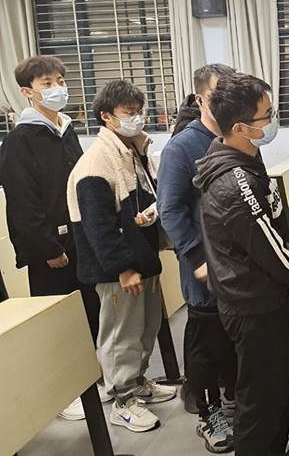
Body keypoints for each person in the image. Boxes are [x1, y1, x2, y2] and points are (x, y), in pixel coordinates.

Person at [193, 73, 289, 456]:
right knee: (260, 400)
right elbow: (268, 245)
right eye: (267, 115)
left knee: (277, 385)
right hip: (252, 306)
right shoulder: (235, 181)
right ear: (241, 128)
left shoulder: (244, 157)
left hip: (262, 296)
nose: (273, 121)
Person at [67, 80, 177, 433]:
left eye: (140, 111)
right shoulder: (96, 163)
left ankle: (137, 382)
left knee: (145, 329)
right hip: (118, 270)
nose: (137, 118)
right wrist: (123, 268)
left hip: (141, 258)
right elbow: (98, 226)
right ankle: (122, 400)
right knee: (120, 336)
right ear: (107, 117)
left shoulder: (132, 150)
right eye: (129, 113)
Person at [0, 55, 100, 421]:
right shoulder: (19, 140)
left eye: (60, 80)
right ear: (27, 92)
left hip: (79, 238)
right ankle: (64, 393)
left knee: (88, 312)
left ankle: (90, 379)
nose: (57, 88)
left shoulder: (66, 129)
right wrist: (46, 247)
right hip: (50, 247)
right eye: (47, 83)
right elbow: (22, 202)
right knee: (57, 320)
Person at [158, 64, 236, 453]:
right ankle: (209, 414)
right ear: (200, 98)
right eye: (219, 94)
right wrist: (194, 256)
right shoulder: (182, 147)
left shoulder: (236, 136)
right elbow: (170, 210)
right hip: (204, 266)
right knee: (206, 345)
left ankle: (234, 402)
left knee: (234, 342)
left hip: (237, 266)